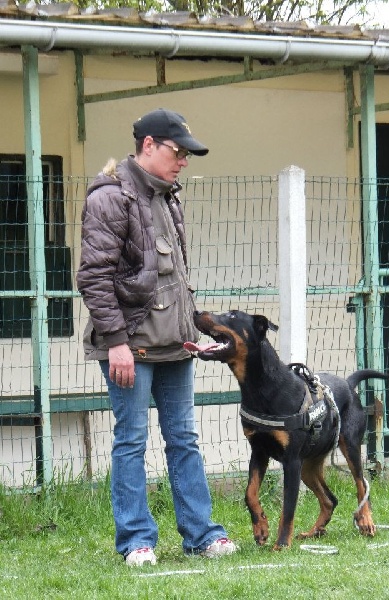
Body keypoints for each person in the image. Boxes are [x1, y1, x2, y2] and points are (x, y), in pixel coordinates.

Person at [76, 108, 237, 566]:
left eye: (187, 153)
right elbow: (94, 278)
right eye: (177, 150)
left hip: (175, 348)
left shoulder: (169, 197)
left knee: (184, 438)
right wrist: (117, 343)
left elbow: (171, 278)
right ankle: (136, 541)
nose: (184, 160)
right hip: (130, 348)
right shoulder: (110, 197)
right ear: (148, 145)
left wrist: (190, 334)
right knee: (131, 440)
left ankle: (203, 535)